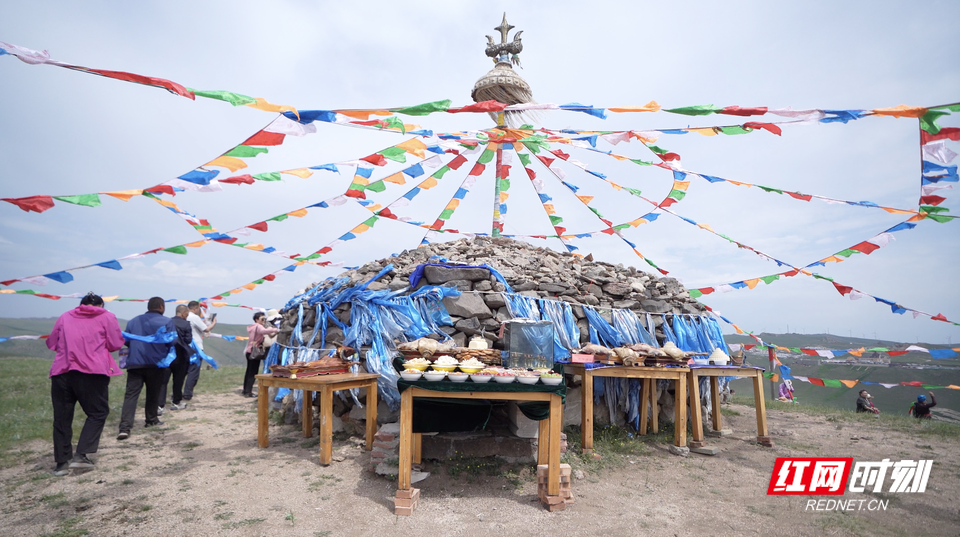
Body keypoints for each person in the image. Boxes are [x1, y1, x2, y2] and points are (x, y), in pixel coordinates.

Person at [45, 293, 125, 476]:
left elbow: (52, 342)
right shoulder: (107, 316)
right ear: (101, 305)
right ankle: (81, 455)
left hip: (62, 372)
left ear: (80, 304)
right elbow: (115, 344)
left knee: (62, 417)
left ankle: (61, 464)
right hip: (92, 372)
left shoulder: (65, 316)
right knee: (98, 412)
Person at [118, 297, 175, 440]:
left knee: (131, 396)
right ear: (161, 307)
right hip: (156, 364)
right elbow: (172, 341)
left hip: (135, 364)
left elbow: (126, 340)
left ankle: (125, 428)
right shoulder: (167, 321)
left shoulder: (133, 321)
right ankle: (151, 420)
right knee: (153, 393)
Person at [159, 305, 192, 413]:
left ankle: (160, 405)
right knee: (178, 380)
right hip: (181, 356)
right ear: (183, 313)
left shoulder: (167, 322)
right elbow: (188, 340)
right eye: (187, 313)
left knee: (163, 381)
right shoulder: (186, 324)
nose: (187, 316)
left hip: (167, 356)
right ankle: (176, 402)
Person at [182, 301, 215, 402]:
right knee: (193, 372)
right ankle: (187, 393)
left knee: (183, 371)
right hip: (196, 347)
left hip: (185, 346)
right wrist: (214, 322)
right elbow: (206, 329)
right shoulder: (194, 317)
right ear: (196, 308)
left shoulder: (185, 316)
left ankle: (179, 392)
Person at [242, 311, 279, 397]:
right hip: (254, 352)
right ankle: (248, 392)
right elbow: (264, 331)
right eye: (262, 319)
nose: (264, 321)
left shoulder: (253, 327)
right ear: (256, 319)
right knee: (253, 372)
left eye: (264, 319)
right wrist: (276, 330)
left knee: (249, 371)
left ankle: (245, 390)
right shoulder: (258, 326)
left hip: (249, 351)